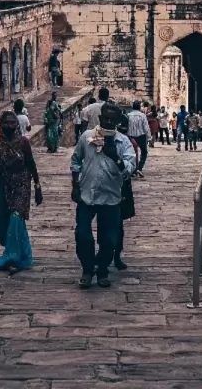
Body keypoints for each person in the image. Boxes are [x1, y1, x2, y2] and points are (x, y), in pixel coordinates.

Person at [71, 102, 136, 289]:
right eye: (105, 118)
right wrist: (75, 185)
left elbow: (129, 169)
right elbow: (76, 160)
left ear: (116, 121)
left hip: (110, 197)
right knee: (82, 234)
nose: (108, 121)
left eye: (111, 119)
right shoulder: (86, 137)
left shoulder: (123, 142)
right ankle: (87, 268)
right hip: (87, 195)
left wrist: (115, 157)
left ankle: (102, 270)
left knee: (108, 239)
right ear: (99, 118)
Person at [0, 111, 43, 274]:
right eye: (6, 123)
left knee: (17, 217)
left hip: (22, 183)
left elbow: (31, 163)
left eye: (12, 123)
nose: (9, 126)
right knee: (12, 220)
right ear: (1, 125)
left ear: (16, 125)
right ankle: (23, 252)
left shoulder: (23, 142)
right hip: (5, 185)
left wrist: (38, 186)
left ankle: (13, 257)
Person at [114, 112, 138, 271]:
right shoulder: (92, 139)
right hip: (100, 187)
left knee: (118, 222)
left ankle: (115, 255)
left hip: (121, 186)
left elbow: (131, 166)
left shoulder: (126, 142)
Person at [126, 100, 152, 178]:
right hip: (141, 136)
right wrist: (149, 137)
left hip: (130, 136)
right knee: (144, 152)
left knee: (132, 153)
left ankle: (133, 170)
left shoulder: (128, 115)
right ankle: (140, 168)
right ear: (139, 107)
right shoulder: (142, 116)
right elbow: (146, 127)